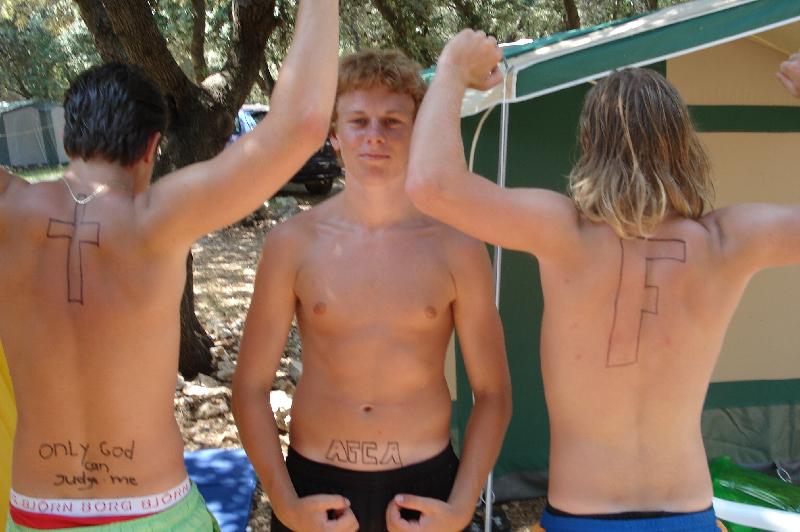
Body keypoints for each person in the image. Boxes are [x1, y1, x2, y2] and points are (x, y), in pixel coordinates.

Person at [406, 31, 800, 531]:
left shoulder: (563, 231)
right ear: (685, 143)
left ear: (591, 143)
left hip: (581, 514)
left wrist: (452, 69)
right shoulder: (727, 240)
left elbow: (430, 184)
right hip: (686, 514)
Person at [0, 0, 338, 529]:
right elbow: (303, 124)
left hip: (36, 511)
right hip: (152, 509)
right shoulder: (156, 220)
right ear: (153, 147)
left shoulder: (8, 209)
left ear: (68, 138)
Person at [232, 48, 512, 532]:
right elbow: (250, 388)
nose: (375, 136)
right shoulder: (292, 244)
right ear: (334, 135)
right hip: (315, 486)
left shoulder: (458, 247)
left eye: (393, 122)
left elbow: (493, 393)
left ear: (417, 130)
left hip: (426, 489)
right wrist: (284, 502)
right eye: (358, 121)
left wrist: (462, 505)